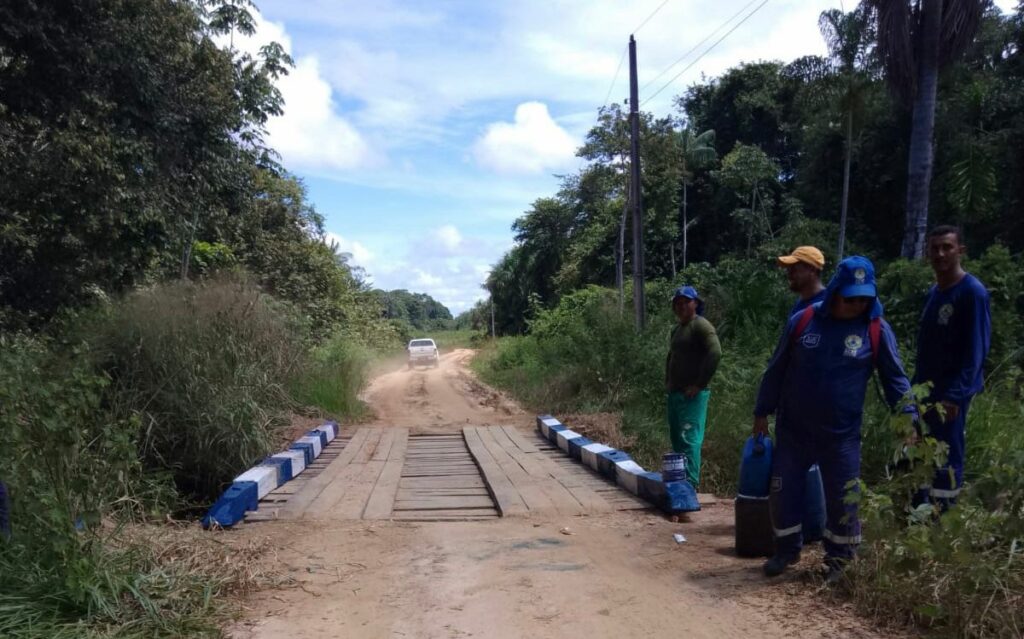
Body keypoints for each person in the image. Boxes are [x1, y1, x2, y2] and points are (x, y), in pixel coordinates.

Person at [752, 256, 914, 582]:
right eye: (850, 298)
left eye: (863, 299)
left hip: (841, 436)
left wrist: (909, 416)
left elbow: (896, 379)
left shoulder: (875, 330)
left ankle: (840, 560)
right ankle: (786, 550)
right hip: (794, 430)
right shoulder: (803, 321)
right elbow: (776, 369)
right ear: (837, 291)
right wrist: (761, 412)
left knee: (843, 499)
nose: (856, 305)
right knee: (784, 493)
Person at [913, 225, 991, 508]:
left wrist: (956, 395)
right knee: (922, 450)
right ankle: (919, 509)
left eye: (947, 247)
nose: (940, 254)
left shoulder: (972, 292)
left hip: (951, 394)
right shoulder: (934, 292)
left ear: (961, 251)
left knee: (947, 453)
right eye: (935, 248)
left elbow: (976, 351)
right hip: (926, 391)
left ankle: (943, 515)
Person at [665, 286, 722, 488]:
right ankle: (679, 485)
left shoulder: (701, 325)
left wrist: (699, 384)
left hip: (691, 396)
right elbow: (672, 356)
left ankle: (690, 486)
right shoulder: (678, 329)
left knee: (689, 440)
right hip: (676, 394)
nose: (681, 306)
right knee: (677, 441)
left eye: (686, 302)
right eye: (677, 303)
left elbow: (715, 352)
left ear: (695, 303)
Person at [778, 246, 826, 315]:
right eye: (788, 269)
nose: (789, 274)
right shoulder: (799, 305)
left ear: (812, 270)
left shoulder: (827, 304)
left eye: (794, 269)